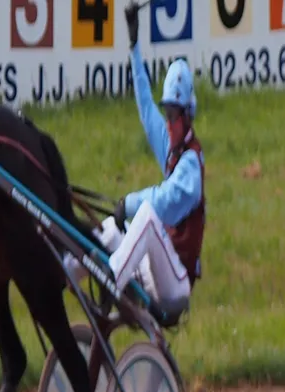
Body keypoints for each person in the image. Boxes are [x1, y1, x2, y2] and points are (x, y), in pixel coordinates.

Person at [63, 2, 206, 328]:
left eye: (172, 115)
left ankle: (110, 278)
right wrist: (133, 44)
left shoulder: (191, 170)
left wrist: (127, 203)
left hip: (175, 287)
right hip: (155, 271)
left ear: (186, 116)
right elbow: (145, 107)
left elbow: (162, 204)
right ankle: (64, 273)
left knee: (144, 216)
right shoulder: (172, 148)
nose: (167, 122)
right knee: (110, 229)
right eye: (166, 113)